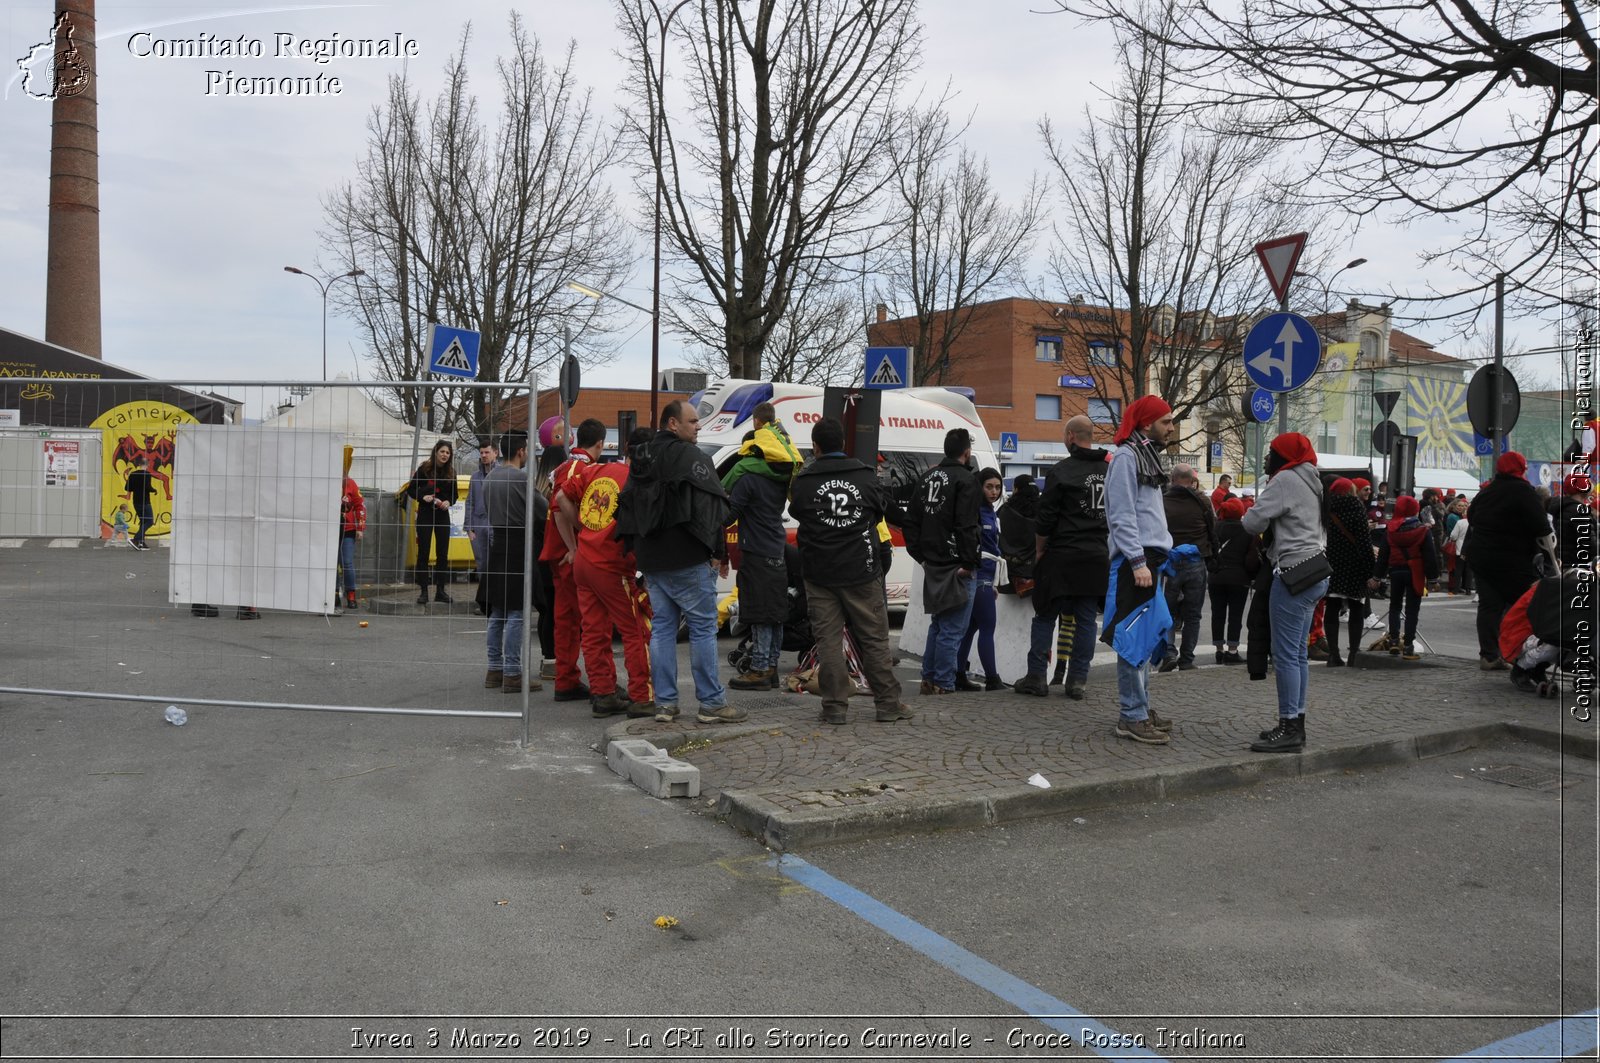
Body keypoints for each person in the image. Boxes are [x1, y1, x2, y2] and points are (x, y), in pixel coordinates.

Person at [616, 400, 745, 725]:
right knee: (702, 628)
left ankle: (665, 705)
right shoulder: (692, 458)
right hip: (687, 556)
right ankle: (711, 704)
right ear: (673, 424)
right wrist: (717, 551)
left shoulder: (641, 458)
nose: (698, 426)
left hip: (652, 559)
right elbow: (714, 509)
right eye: (692, 421)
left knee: (661, 629)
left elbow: (625, 505)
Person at [788, 417, 911, 725]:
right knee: (873, 639)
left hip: (819, 574)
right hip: (861, 570)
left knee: (828, 641)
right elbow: (880, 512)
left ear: (815, 447)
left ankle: (834, 707)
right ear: (842, 444)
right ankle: (888, 704)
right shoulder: (866, 477)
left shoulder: (804, 481)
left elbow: (797, 511)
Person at [560, 428, 657, 719]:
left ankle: (603, 693)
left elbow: (562, 496)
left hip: (585, 561)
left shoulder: (597, 469)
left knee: (593, 631)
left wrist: (581, 529)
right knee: (636, 630)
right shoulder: (637, 481)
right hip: (612, 565)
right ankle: (642, 696)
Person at [1241, 433, 1327, 753]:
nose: (1267, 459)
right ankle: (1296, 722)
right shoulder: (1313, 479)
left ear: (1283, 456)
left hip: (1292, 573)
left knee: (1285, 656)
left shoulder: (1285, 480)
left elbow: (1252, 523)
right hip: (1315, 571)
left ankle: (1289, 726)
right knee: (1299, 654)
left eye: (1271, 453)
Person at [1014, 415, 1109, 701]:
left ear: (1070, 437)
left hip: (1062, 555)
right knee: (1086, 621)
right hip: (1095, 555)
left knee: (1045, 616)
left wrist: (1040, 550)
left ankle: (1037, 676)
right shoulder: (1110, 470)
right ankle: (1078, 679)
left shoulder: (1061, 471)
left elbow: (1045, 520)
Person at [1101, 396, 1178, 744]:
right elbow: (1121, 515)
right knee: (1133, 641)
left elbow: (1143, 515)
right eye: (1166, 422)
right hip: (1138, 562)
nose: (1172, 428)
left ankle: (1140, 709)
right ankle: (1132, 714)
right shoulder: (1127, 457)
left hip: (1149, 560)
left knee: (1145, 641)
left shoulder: (1143, 456)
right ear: (1147, 424)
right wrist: (1136, 560)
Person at [724, 404, 796, 691]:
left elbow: (728, 515)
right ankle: (772, 666)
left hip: (756, 551)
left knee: (759, 614)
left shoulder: (749, 478)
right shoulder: (780, 477)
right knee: (775, 613)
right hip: (776, 548)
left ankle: (759, 669)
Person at [905, 429, 981, 695]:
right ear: (966, 452)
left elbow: (911, 520)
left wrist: (921, 556)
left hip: (933, 562)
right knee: (952, 629)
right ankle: (943, 683)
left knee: (938, 625)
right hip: (956, 563)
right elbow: (967, 525)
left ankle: (929, 678)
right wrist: (970, 562)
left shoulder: (927, 476)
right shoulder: (966, 479)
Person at [1465, 452, 1554, 670]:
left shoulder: (1488, 491)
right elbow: (1541, 527)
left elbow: (1471, 514)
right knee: (1526, 606)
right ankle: (1519, 655)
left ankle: (1489, 655)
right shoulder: (1525, 492)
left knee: (1489, 607)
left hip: (1482, 557)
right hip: (1513, 560)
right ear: (1521, 468)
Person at [543, 419, 605, 703]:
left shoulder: (564, 466)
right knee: (586, 621)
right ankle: (582, 681)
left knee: (565, 619)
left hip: (556, 553)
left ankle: (566, 677)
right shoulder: (584, 468)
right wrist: (574, 547)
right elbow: (559, 508)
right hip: (569, 555)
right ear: (600, 444)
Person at [483, 431, 545, 694]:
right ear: (521, 451)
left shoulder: (489, 478)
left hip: (497, 543)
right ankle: (512, 673)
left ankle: (494, 669)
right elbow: (542, 509)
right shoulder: (522, 479)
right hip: (519, 543)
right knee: (518, 612)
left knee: (497, 611)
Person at [1158, 462, 1217, 672]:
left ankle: (1168, 654)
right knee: (1193, 615)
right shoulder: (1202, 501)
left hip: (1169, 562)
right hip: (1196, 560)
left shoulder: (1161, 501)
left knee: (1167, 613)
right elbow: (1213, 528)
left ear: (1172, 480)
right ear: (1192, 481)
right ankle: (1187, 659)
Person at [957, 468, 1006, 691]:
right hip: (981, 575)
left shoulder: (990, 512)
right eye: (989, 486)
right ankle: (992, 679)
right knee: (987, 627)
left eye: (997, 487)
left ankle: (958, 674)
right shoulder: (978, 511)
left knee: (971, 628)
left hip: (986, 575)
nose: (994, 491)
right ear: (980, 486)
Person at [1377, 494, 1437, 661]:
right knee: (1412, 610)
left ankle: (1394, 640)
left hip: (1396, 571)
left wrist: (1377, 576)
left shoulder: (1390, 530)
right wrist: (1433, 579)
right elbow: (1429, 556)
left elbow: (1383, 555)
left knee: (1395, 606)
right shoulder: (1422, 530)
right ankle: (1409, 645)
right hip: (1415, 572)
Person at [398, 440, 458, 605]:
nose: (445, 455)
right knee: (423, 553)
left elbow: (455, 495)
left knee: (442, 554)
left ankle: (440, 591)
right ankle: (424, 591)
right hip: (425, 513)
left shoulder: (452, 473)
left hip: (442, 515)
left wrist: (448, 502)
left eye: (448, 453)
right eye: (442, 451)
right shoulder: (424, 469)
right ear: (436, 452)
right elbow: (411, 490)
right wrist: (422, 496)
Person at [1322, 478, 1372, 667]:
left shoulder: (1327, 510)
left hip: (1333, 564)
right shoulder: (1357, 508)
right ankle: (1353, 653)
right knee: (1357, 609)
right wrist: (1370, 569)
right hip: (1355, 565)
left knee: (1332, 608)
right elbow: (1364, 543)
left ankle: (1333, 654)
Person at [1208, 496, 1257, 665]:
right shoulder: (1247, 530)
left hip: (1216, 577)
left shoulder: (1214, 528)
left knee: (1217, 614)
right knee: (1235, 616)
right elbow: (1251, 558)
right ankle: (1232, 650)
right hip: (1238, 578)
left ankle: (1219, 650)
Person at [464, 440, 498, 613]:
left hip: (496, 524)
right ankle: (485, 604)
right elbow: (469, 502)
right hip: (478, 525)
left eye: (487, 452)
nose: (484, 455)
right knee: (482, 565)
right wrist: (469, 527)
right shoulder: (476, 476)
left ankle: (496, 602)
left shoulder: (501, 474)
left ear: (496, 453)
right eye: (482, 452)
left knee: (497, 565)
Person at [1554, 473, 1596, 570]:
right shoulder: (1579, 512)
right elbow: (1591, 545)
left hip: (1564, 565)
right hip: (1580, 568)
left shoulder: (1562, 508)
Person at [336, 473, 365, 612]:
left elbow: (360, 506)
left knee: (347, 562)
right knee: (331, 564)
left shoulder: (351, 483)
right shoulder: (324, 480)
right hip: (328, 529)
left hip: (347, 529)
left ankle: (351, 594)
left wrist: (360, 527)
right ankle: (334, 594)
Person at [124, 456, 157, 550]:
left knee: (143, 521)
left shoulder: (133, 474)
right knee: (149, 521)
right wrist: (154, 490)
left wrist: (136, 487)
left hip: (136, 501)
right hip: (145, 501)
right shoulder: (147, 474)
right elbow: (148, 487)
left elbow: (127, 488)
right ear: (148, 464)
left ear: (139, 464)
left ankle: (141, 543)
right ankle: (136, 539)